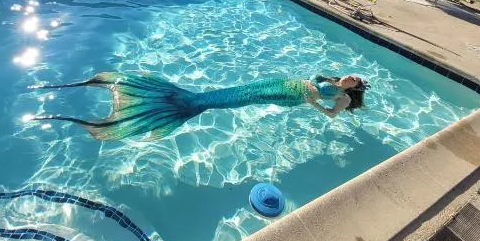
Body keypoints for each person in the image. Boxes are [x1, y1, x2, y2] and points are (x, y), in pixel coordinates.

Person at [31, 71, 368, 142]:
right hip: (285, 84)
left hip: (292, 96)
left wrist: (311, 102)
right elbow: (314, 80)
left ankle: (188, 104)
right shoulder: (332, 78)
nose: (350, 77)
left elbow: (330, 114)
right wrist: (310, 86)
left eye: (354, 80)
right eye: (352, 76)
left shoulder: (340, 98)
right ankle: (191, 101)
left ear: (354, 90)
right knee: (244, 90)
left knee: (245, 98)